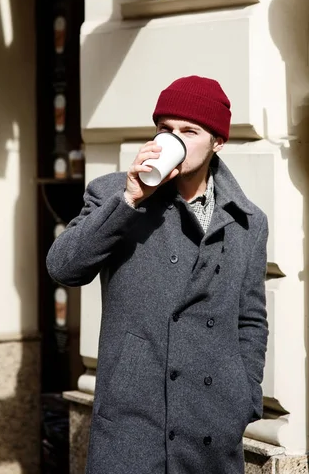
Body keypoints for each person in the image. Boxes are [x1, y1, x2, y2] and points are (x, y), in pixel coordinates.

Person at [46, 75, 268, 474]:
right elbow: (63, 267)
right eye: (165, 129)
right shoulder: (113, 194)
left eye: (189, 131)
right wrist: (130, 198)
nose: (174, 140)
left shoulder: (248, 221)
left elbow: (250, 319)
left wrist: (244, 396)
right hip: (134, 423)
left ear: (218, 141)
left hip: (211, 427)